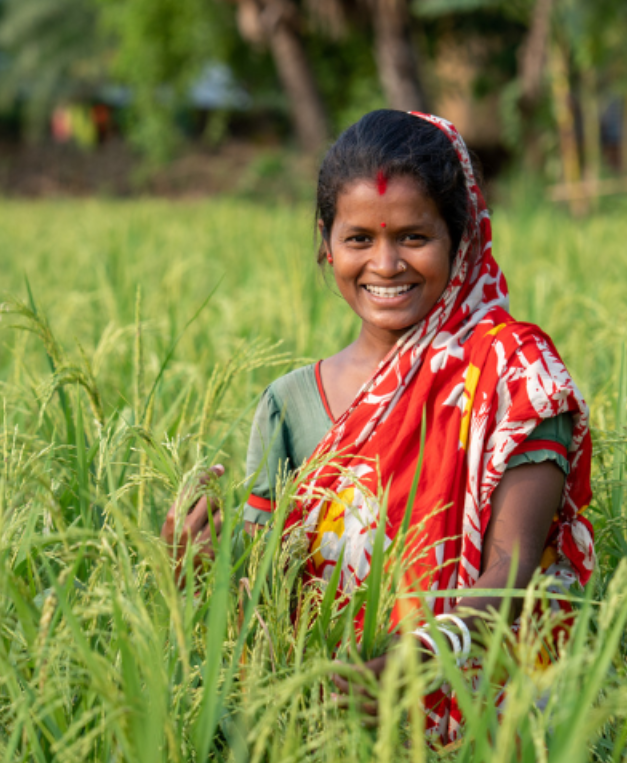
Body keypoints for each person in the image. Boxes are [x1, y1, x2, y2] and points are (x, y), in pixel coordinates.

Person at [162, 109, 595, 743]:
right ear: (326, 241)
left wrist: (427, 656)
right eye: (359, 238)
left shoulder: (515, 378)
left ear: (462, 236)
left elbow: (514, 563)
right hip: (324, 728)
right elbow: (267, 602)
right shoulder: (288, 406)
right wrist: (201, 567)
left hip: (488, 733)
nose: (385, 264)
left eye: (413, 237)